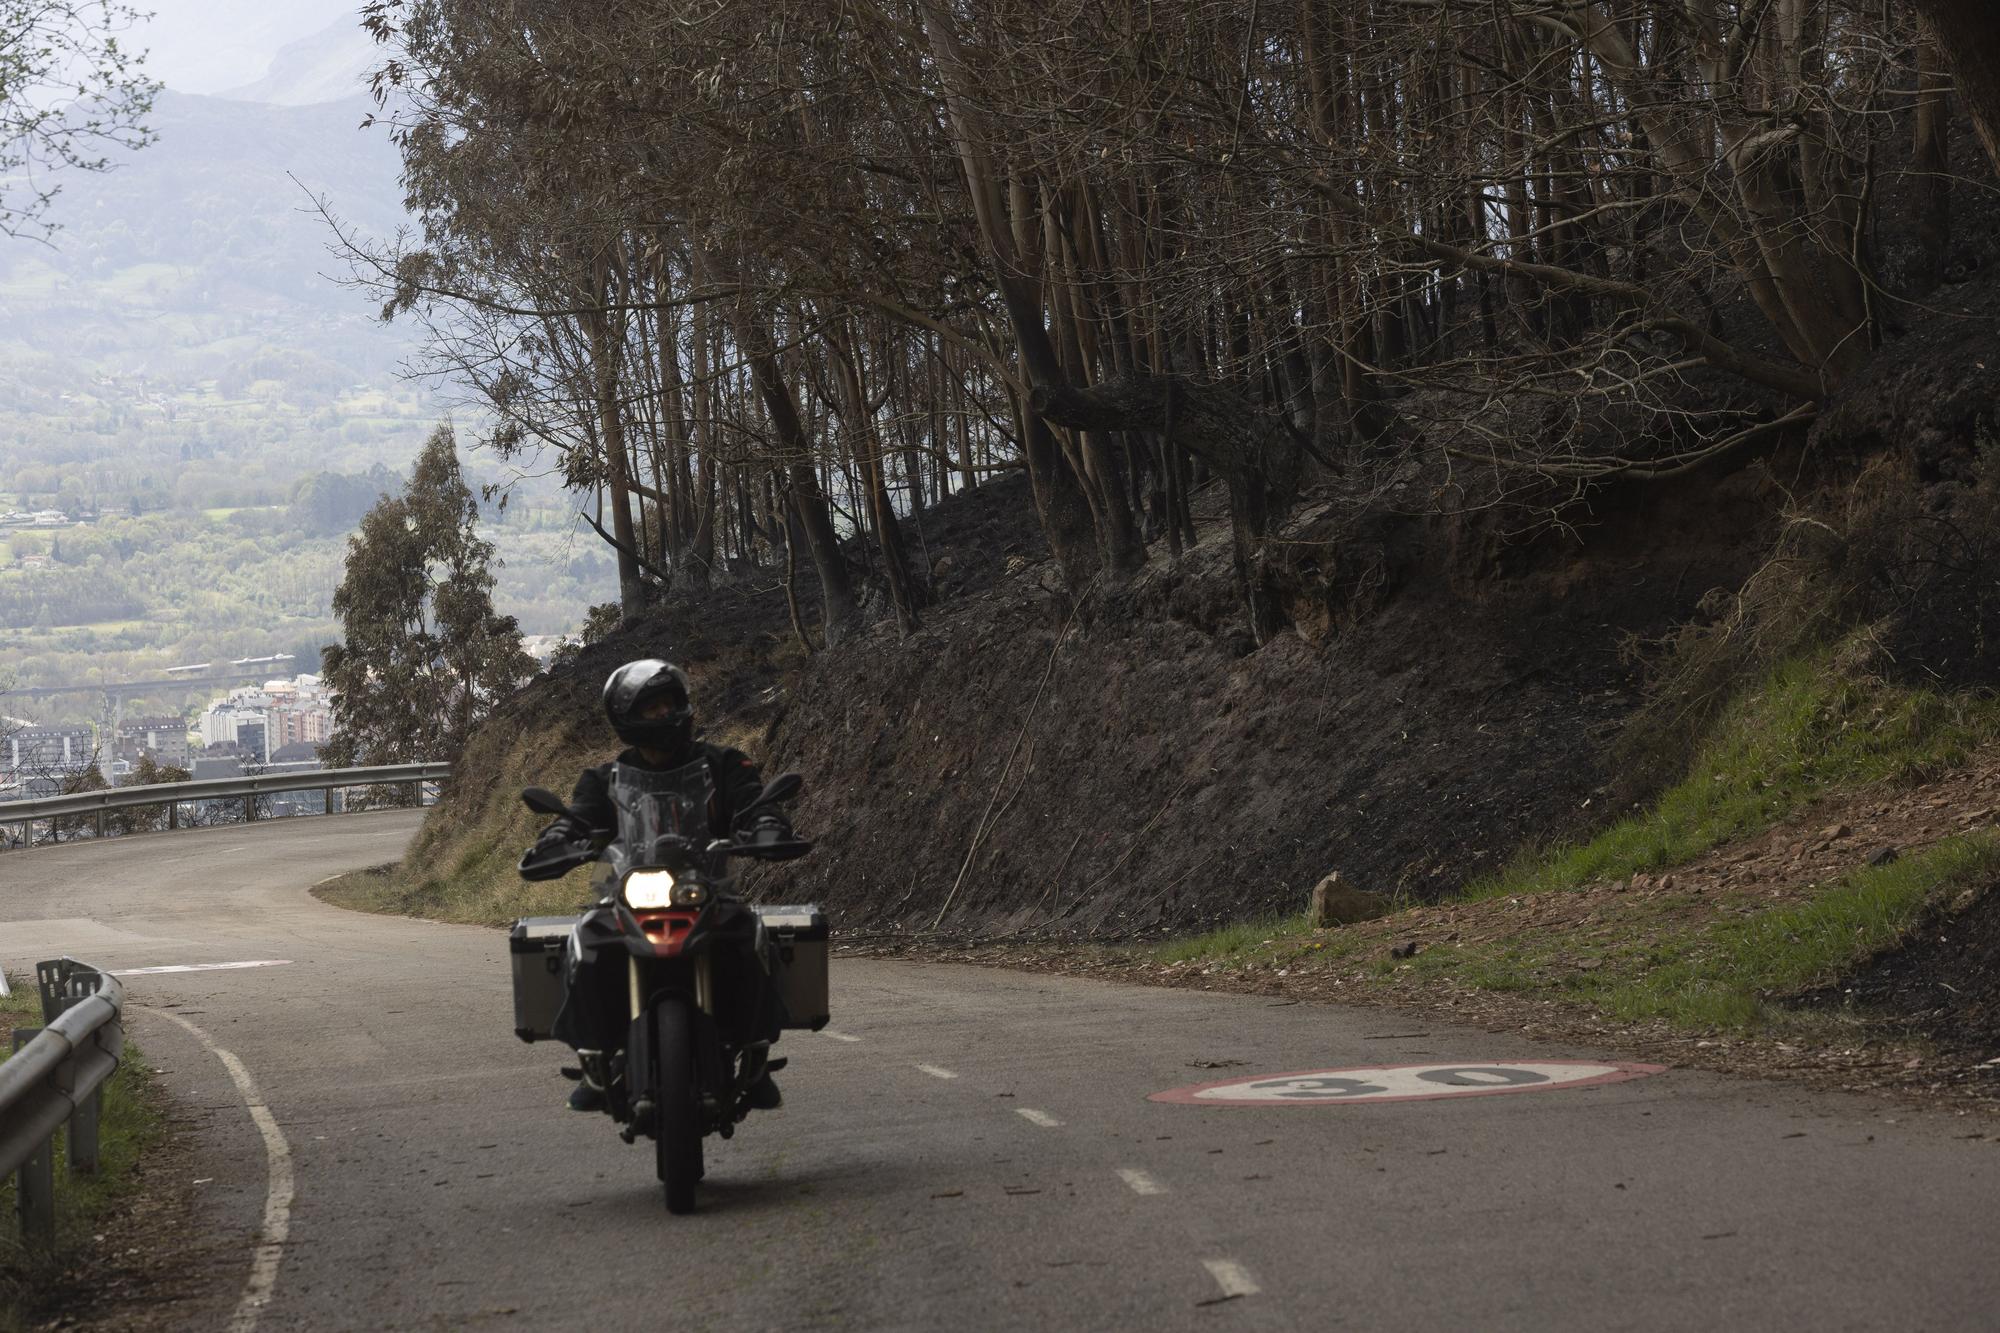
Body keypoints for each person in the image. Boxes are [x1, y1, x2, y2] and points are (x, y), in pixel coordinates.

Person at [531, 658, 790, 1113]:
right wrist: (558, 838)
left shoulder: (723, 763)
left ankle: (754, 1052)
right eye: (653, 706)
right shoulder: (603, 779)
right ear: (626, 717)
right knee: (587, 939)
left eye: (671, 702)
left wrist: (766, 823)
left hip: (706, 887)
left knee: (749, 936)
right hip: (624, 887)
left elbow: (751, 803)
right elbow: (580, 815)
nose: (666, 713)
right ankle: (596, 1057)